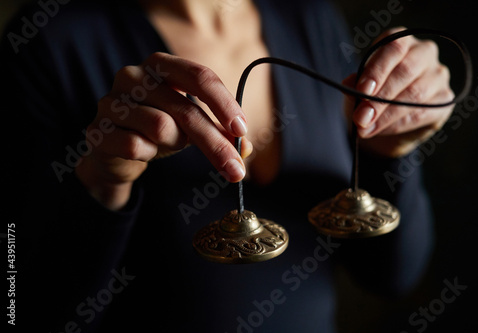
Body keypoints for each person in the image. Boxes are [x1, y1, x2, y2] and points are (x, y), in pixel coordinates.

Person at [1, 0, 454, 331]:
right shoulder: (49, 41)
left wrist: (389, 151)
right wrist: (103, 180)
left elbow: (394, 276)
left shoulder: (308, 17)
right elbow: (20, 307)